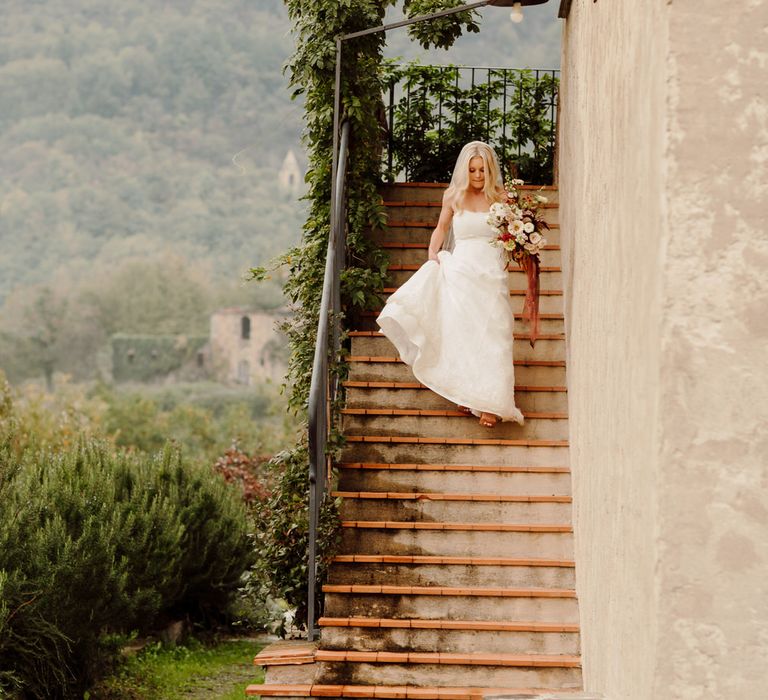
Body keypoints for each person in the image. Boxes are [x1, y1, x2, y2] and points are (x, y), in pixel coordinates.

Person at [376, 141, 524, 428]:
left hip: (491, 271)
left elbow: (513, 233)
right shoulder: (453, 196)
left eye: (482, 169)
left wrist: (522, 244)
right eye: (473, 170)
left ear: (490, 169)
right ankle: (468, 393)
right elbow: (441, 228)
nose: (478, 175)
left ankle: (493, 403)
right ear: (465, 170)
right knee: (464, 332)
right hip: (462, 269)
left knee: (495, 333)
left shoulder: (503, 197)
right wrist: (433, 254)